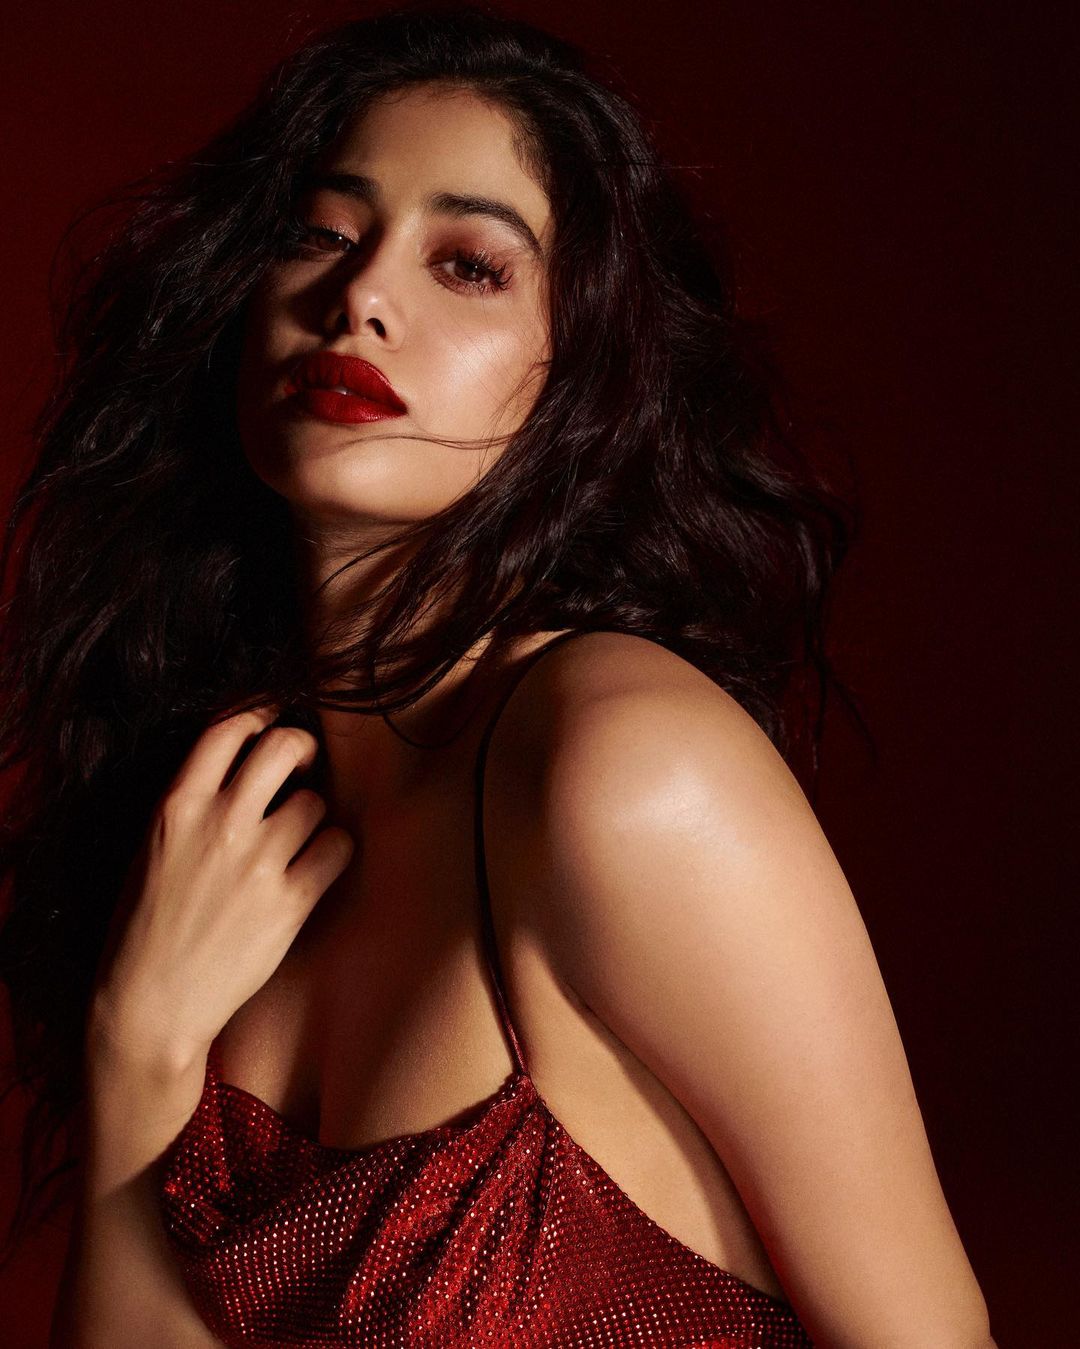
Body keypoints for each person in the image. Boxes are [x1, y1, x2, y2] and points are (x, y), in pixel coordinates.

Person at [0, 6, 996, 1347]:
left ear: (576, 371)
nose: (360, 297)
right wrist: (138, 1057)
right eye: (321, 234)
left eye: (468, 265)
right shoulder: (220, 839)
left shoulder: (627, 768)